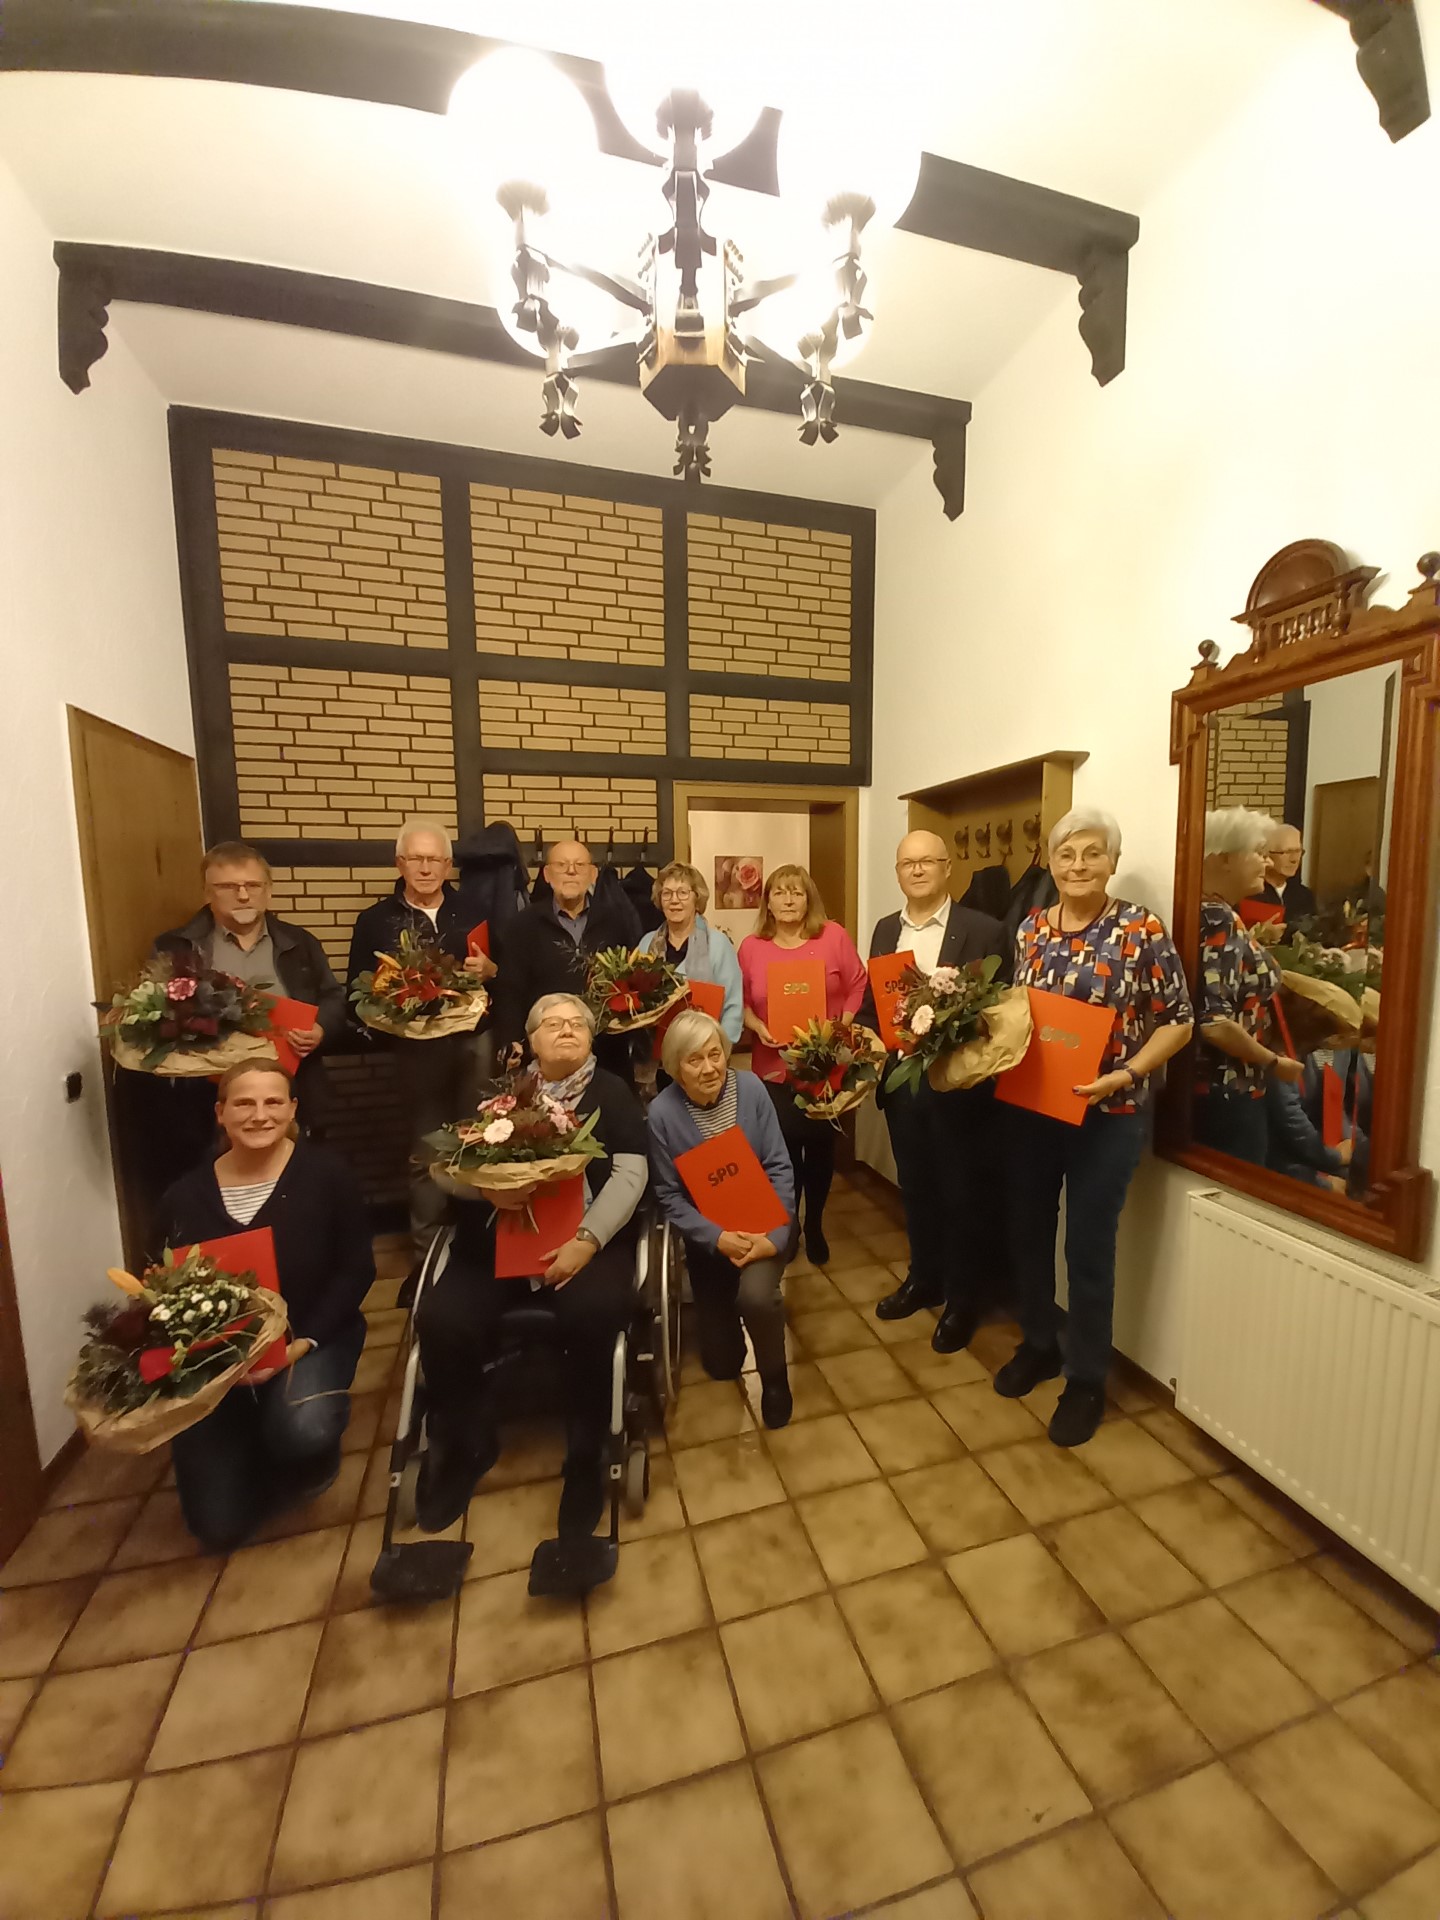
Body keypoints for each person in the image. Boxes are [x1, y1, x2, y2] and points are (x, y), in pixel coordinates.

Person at [414, 993, 648, 1537]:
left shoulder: (612, 1094)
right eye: (553, 1024)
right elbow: (444, 1168)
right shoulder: (499, 1096)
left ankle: (586, 1456)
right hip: (499, 1242)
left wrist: (588, 1241)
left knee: (594, 1313)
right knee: (441, 1319)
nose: (566, 1030)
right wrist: (486, 1190)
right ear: (531, 1040)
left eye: (577, 1024)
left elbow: (631, 1174)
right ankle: (468, 1445)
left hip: (585, 1244)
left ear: (591, 1038)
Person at [996, 809, 1194, 1447]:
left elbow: (1179, 1020)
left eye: (1091, 853)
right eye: (1066, 854)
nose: (1078, 865)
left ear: (1112, 861)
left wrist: (1128, 1074)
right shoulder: (1030, 928)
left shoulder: (1140, 928)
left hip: (1110, 1113)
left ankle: (1085, 1378)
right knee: (1028, 1230)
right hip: (1032, 1107)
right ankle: (1038, 1342)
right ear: (1050, 863)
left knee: (1087, 1247)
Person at [160, 1060, 375, 1552]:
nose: (260, 1115)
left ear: (293, 1109)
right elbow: (165, 1286)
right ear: (220, 1113)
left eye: (273, 1102)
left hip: (309, 1337)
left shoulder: (329, 1176)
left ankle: (303, 1449)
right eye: (244, 1103)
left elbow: (356, 1270)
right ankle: (249, 1433)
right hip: (220, 1359)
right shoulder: (184, 1197)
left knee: (303, 1429)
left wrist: (299, 1344)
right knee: (216, 1528)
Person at [120, 841, 348, 1257]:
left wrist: (320, 1029)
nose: (243, 895)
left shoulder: (299, 942)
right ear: (207, 892)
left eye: (252, 885)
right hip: (203, 1101)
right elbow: (157, 1014)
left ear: (268, 890)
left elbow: (334, 996)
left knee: (297, 1190)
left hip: (291, 1090)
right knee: (214, 1200)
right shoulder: (176, 946)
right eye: (228, 887)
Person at [861, 830, 1010, 1353]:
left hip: (959, 1090)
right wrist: (861, 1041)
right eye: (908, 863)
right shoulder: (885, 930)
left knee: (961, 1196)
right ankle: (924, 1278)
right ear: (898, 872)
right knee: (917, 1188)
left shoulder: (985, 930)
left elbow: (1002, 1014)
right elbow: (873, 1006)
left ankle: (963, 1300)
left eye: (928, 861)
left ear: (948, 868)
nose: (918, 870)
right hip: (903, 1088)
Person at [346, 817, 497, 1262]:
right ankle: (427, 1258)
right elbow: (356, 990)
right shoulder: (374, 920)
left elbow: (503, 974)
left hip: (474, 1042)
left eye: (434, 859)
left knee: (478, 1145)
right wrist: (389, 1006)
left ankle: (477, 1250)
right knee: (426, 1151)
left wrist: (491, 971)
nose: (426, 868)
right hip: (415, 1051)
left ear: (448, 865)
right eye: (416, 858)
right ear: (400, 863)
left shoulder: (475, 910)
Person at [648, 1010, 797, 1428]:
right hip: (711, 1241)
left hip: (766, 1224)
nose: (709, 1068)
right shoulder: (662, 1114)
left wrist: (774, 1236)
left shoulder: (751, 1089)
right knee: (723, 1363)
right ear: (676, 1067)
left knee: (756, 1297)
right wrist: (716, 1237)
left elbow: (779, 1166)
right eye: (694, 1060)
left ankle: (775, 1380)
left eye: (715, 1054)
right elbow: (668, 1195)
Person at [736, 865, 866, 1264]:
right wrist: (758, 1027)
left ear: (808, 899)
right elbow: (740, 1001)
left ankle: (815, 1224)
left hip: (823, 1067)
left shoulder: (833, 936)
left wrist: (840, 1028)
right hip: (773, 1067)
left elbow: (858, 983)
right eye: (780, 892)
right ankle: (789, 1227)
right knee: (784, 1154)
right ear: (768, 901)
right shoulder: (751, 947)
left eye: (796, 892)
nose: (789, 900)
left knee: (820, 1150)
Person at [1194, 806, 1302, 1165]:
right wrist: (1273, 1062)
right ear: (1224, 858)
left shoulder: (1202, 909)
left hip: (1210, 1090)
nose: (1267, 863)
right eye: (1258, 852)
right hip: (1229, 1090)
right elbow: (1214, 1021)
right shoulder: (1218, 918)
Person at [490, 839, 642, 1078]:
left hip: (608, 1053)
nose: (571, 871)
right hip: (547, 1054)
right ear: (547, 874)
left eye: (579, 865)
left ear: (592, 874)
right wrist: (512, 1039)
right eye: (562, 865)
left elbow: (633, 979)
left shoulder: (616, 920)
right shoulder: (524, 924)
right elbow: (510, 989)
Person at [639, 860, 744, 1045]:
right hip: (655, 1051)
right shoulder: (647, 943)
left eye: (683, 893)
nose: (674, 900)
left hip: (706, 1050)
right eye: (667, 893)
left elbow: (733, 1007)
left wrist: (720, 1047)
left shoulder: (718, 944)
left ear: (697, 899)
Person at [1255, 822, 1316, 921]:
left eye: (1298, 851)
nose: (1294, 859)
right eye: (1287, 852)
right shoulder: (1251, 893)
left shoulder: (1304, 896)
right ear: (1266, 854)